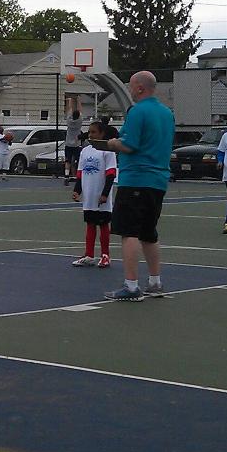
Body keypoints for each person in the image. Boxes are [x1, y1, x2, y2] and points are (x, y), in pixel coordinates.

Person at [100, 71, 174, 302]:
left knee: (129, 232)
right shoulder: (166, 113)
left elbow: (129, 145)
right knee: (149, 233)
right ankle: (155, 282)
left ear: (140, 88)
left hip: (136, 178)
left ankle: (131, 286)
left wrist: (111, 143)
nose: (130, 90)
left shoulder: (138, 111)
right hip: (158, 180)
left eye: (131, 86)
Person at [71, 120, 118, 268]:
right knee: (90, 224)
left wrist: (105, 194)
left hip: (101, 195)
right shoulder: (85, 151)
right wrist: (77, 191)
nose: (90, 135)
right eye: (89, 132)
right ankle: (89, 255)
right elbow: (80, 174)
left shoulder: (107, 150)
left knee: (103, 224)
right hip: (89, 196)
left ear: (102, 134)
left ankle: (105, 255)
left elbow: (111, 174)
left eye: (94, 132)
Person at [63, 98, 83, 184]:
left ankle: (66, 176)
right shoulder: (79, 121)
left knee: (68, 161)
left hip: (68, 144)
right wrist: (78, 100)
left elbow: (69, 110)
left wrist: (70, 101)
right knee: (77, 160)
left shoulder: (69, 121)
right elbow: (80, 110)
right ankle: (77, 176)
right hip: (76, 144)